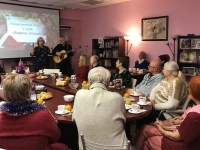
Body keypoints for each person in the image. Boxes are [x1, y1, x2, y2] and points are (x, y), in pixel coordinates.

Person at [0, 74, 68, 150]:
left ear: (5, 95)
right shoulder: (43, 116)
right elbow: (56, 137)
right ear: (28, 92)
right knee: (63, 146)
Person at [134, 75, 200, 150]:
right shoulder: (195, 110)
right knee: (145, 128)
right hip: (181, 136)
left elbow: (176, 137)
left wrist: (161, 129)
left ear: (195, 92)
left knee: (147, 139)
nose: (188, 89)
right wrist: (164, 126)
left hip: (179, 146)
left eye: (190, 87)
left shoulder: (194, 116)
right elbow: (187, 129)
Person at [73, 67, 128, 150]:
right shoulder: (117, 98)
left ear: (89, 82)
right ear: (108, 83)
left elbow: (73, 118)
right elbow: (124, 121)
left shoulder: (79, 94)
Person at [136, 61, 188, 130]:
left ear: (169, 72)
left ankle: (141, 135)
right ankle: (140, 135)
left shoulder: (176, 83)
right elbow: (154, 90)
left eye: (164, 69)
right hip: (156, 106)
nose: (162, 70)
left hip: (166, 113)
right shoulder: (166, 79)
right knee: (140, 110)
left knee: (141, 115)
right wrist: (152, 99)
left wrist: (154, 106)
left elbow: (172, 105)